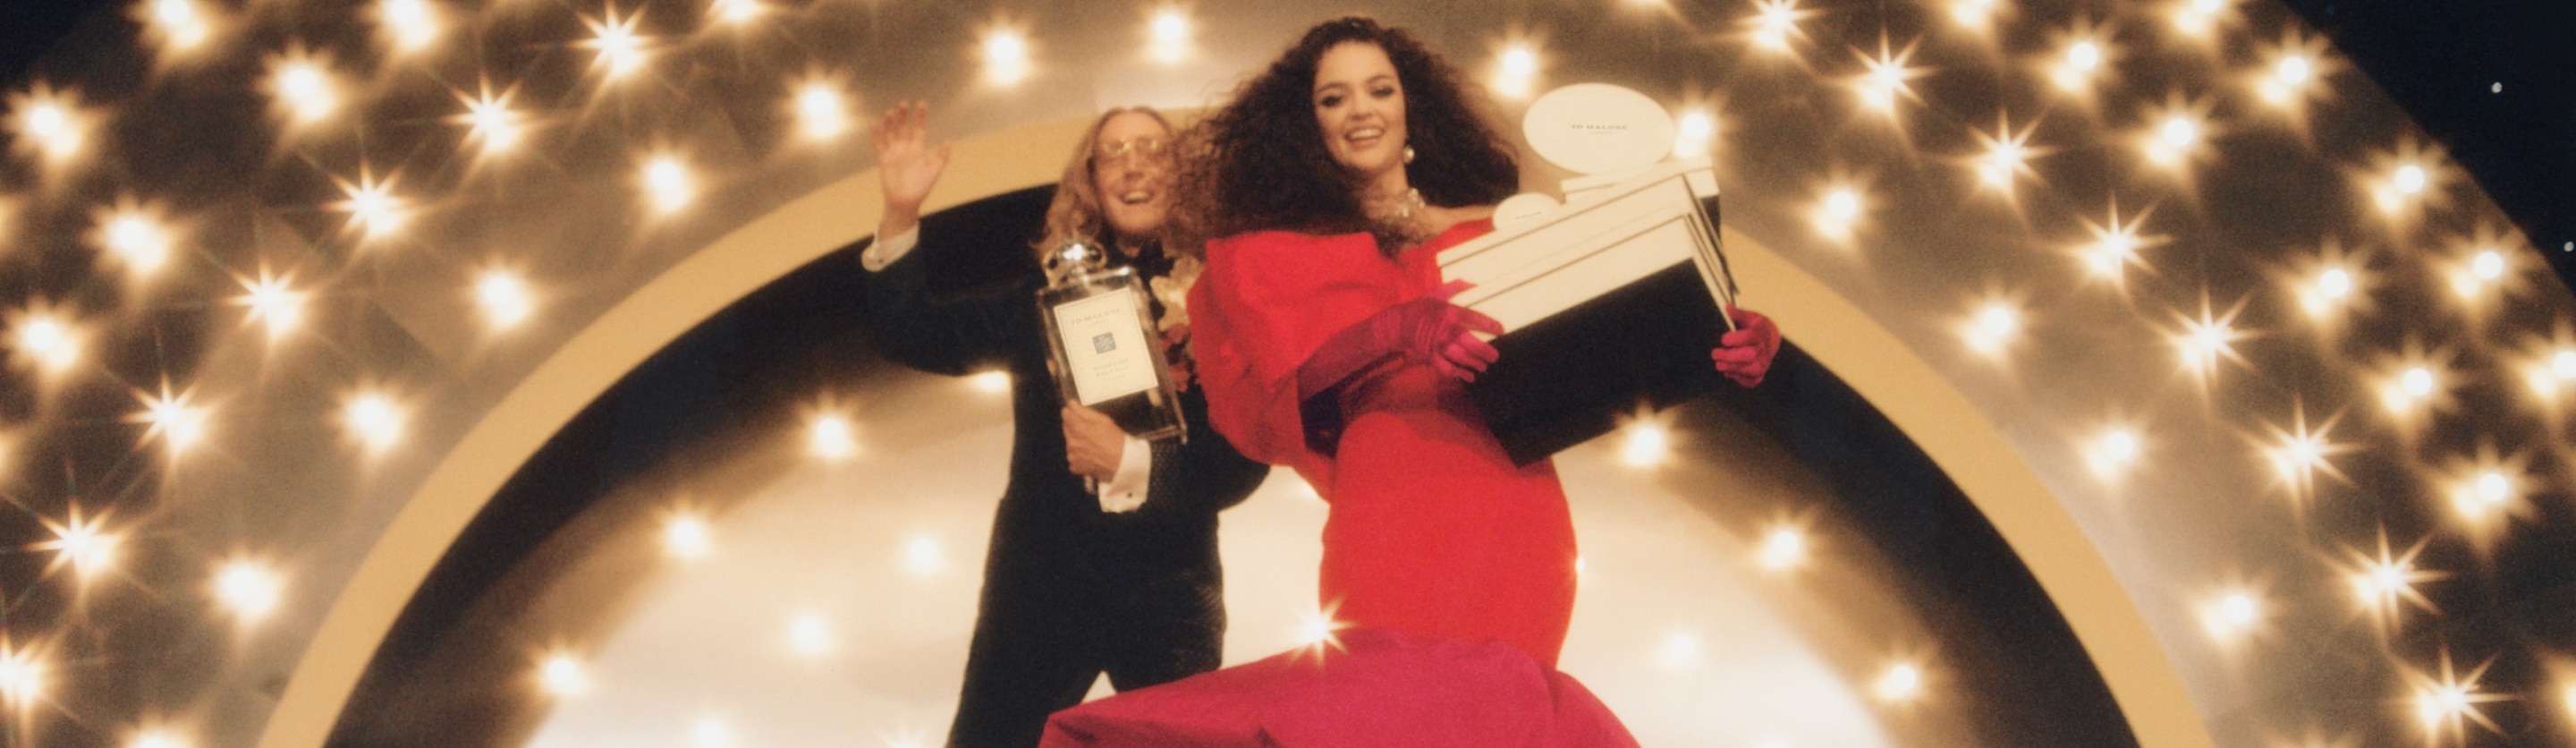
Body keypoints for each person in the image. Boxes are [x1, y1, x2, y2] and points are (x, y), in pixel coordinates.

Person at [1039, 16, 1779, 746]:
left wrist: (1731, 334)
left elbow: (1614, 333)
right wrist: (1397, 330)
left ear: (1409, 105)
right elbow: (1281, 398)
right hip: (1388, 514)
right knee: (1381, 715)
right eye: (1333, 98)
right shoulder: (1271, 254)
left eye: (1379, 89)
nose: (1360, 109)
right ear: (1305, 124)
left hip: (1516, 516)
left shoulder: (1501, 225)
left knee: (1496, 717)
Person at [858, 101, 1271, 748]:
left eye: (1153, 149)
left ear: (1185, 171)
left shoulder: (1226, 297)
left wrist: (1133, 462)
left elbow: (1243, 463)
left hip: (1171, 588)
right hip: (1038, 587)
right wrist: (901, 212)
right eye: (1114, 152)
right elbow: (908, 332)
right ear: (1091, 180)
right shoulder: (1042, 298)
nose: (1134, 167)